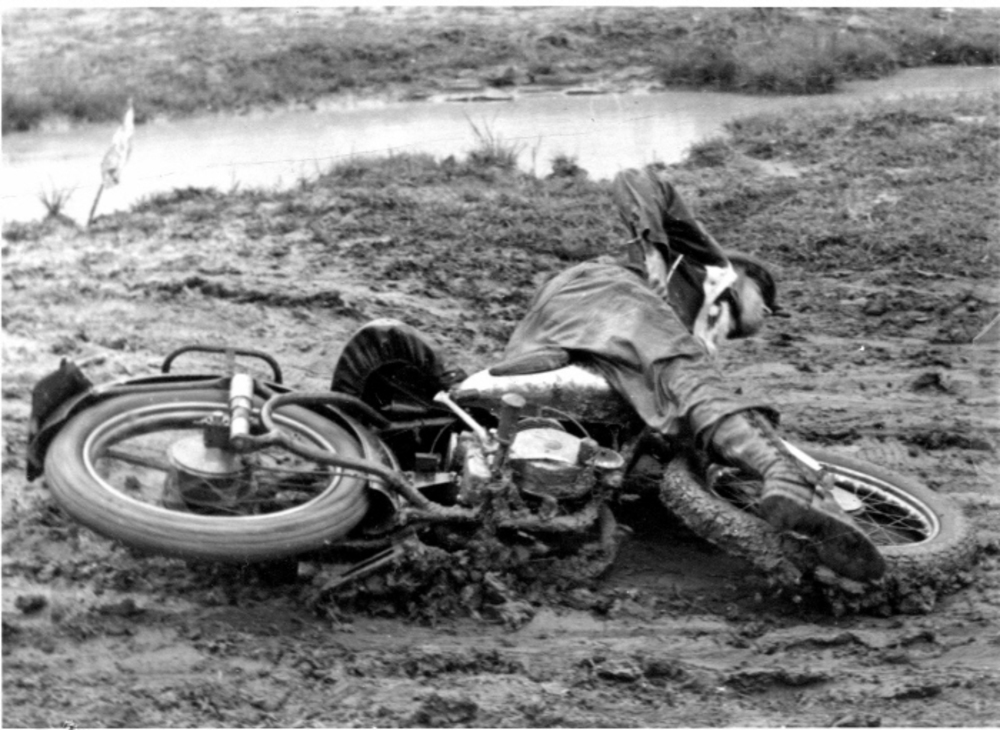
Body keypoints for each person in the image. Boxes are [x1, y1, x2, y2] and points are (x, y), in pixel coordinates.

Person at [497, 165, 886, 583]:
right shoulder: (707, 265)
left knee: (648, 422)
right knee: (688, 375)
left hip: (557, 337)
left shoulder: (691, 331)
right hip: (601, 297)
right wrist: (651, 250)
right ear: (741, 278)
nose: (767, 314)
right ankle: (782, 471)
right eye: (765, 297)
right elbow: (637, 180)